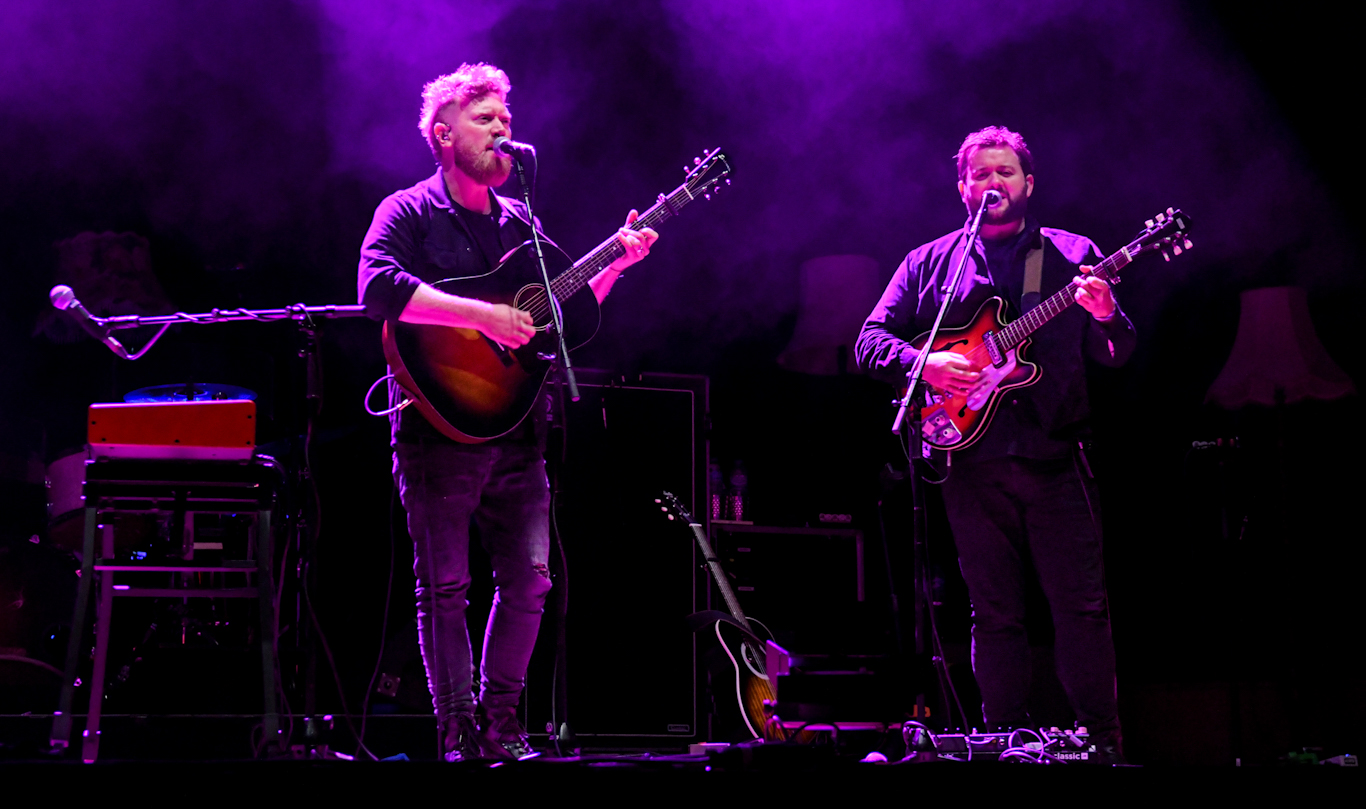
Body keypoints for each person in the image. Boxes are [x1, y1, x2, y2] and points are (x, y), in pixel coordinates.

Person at [357, 63, 658, 761]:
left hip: (520, 424)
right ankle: (456, 730)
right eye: (485, 120)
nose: (502, 131)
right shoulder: (406, 211)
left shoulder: (522, 221)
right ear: (442, 134)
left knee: (530, 579)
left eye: (507, 121)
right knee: (447, 586)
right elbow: (379, 285)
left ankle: (501, 724)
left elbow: (552, 320)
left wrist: (615, 264)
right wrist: (482, 316)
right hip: (438, 426)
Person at [856, 126, 1136, 759]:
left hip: (1056, 457)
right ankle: (1002, 742)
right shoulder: (931, 261)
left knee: (1080, 610)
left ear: (1028, 184)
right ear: (963, 188)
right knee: (994, 614)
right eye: (980, 175)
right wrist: (924, 366)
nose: (993, 184)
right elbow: (868, 341)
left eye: (1005, 173)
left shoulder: (1069, 254)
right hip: (970, 462)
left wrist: (1104, 314)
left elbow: (1119, 352)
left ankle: (1104, 746)